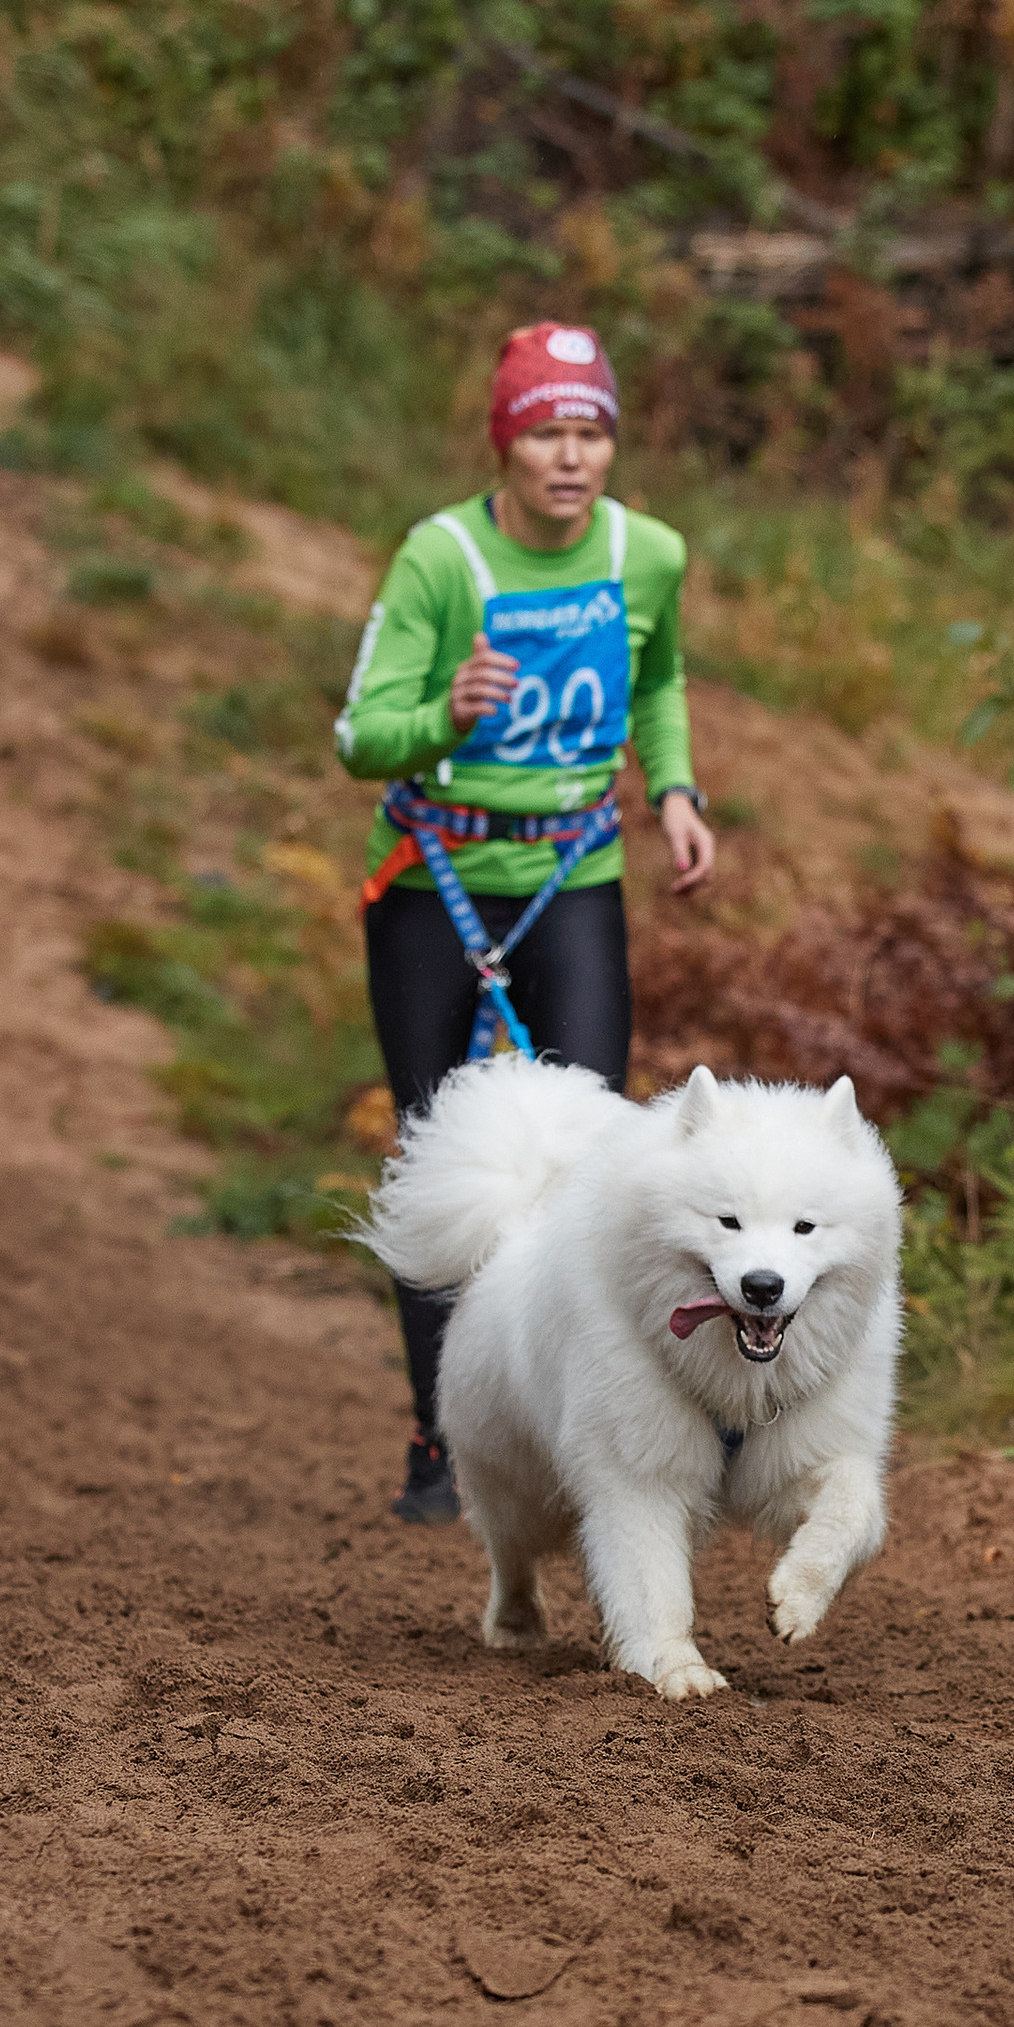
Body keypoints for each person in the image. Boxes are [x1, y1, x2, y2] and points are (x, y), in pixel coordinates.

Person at [336, 320, 714, 1522]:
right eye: (547, 429)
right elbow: (361, 735)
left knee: (596, 1153)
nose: (571, 456)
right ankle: (439, 1438)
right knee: (437, 1158)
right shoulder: (439, 560)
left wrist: (673, 789)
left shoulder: (644, 552)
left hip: (572, 874)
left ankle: (585, 1422)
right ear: (506, 440)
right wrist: (444, 713)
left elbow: (656, 679)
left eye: (591, 430)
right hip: (434, 879)